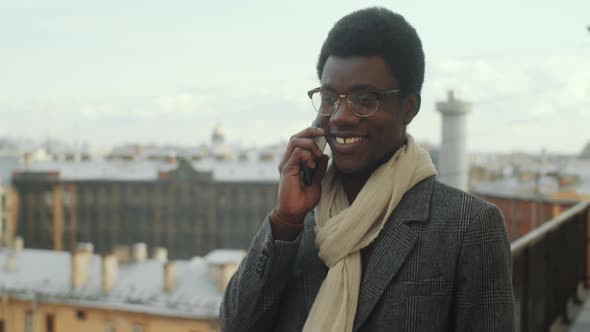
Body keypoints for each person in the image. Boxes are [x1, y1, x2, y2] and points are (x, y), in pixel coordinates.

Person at [221, 7, 514, 332]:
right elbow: (235, 325)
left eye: (364, 99)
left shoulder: (467, 226)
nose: (341, 116)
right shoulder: (302, 217)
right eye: (331, 98)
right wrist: (284, 220)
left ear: (409, 107)